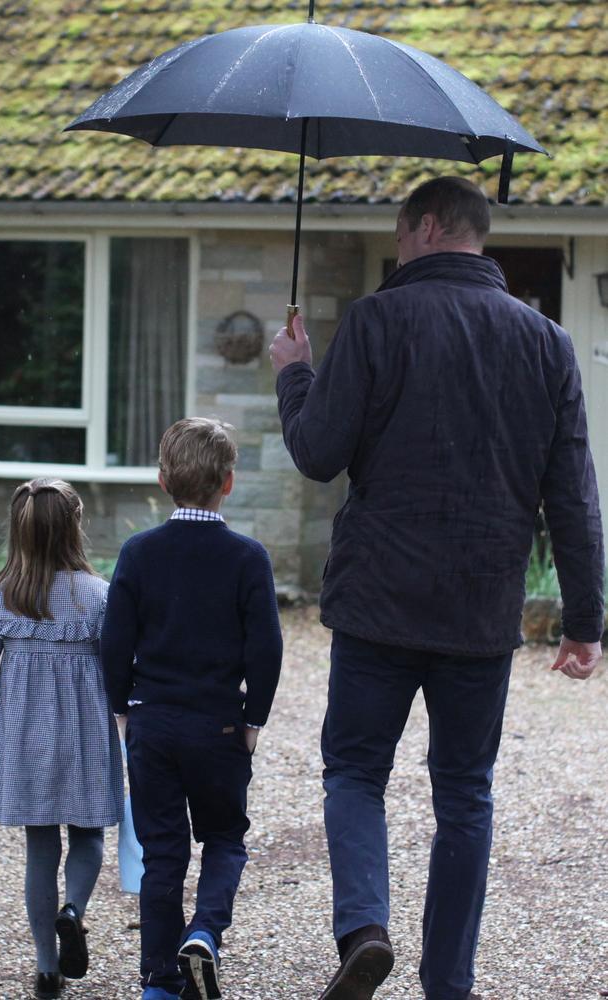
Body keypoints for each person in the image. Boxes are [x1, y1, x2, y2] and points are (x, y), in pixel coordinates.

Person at [268, 176, 605, 1000]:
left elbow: (317, 453)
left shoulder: (377, 322)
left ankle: (364, 929)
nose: (394, 247)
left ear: (425, 226)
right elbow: (573, 493)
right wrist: (585, 622)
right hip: (479, 609)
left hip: (377, 603)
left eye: (397, 232)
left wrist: (295, 373)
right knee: (464, 795)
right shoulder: (547, 342)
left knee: (353, 772)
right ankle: (449, 982)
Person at [101, 417, 283, 1000]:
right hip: (219, 725)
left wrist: (123, 711)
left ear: (162, 480)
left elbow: (115, 642)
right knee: (226, 836)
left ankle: (158, 980)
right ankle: (204, 931)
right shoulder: (247, 558)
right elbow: (267, 648)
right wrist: (253, 719)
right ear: (228, 482)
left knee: (163, 851)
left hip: (152, 722)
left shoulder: (139, 553)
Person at [0, 478, 124, 1000]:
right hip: (86, 737)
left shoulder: (4, 596)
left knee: (40, 849)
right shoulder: (100, 598)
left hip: (26, 740)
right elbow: (125, 671)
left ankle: (47, 969)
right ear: (75, 527)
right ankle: (73, 910)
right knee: (90, 836)